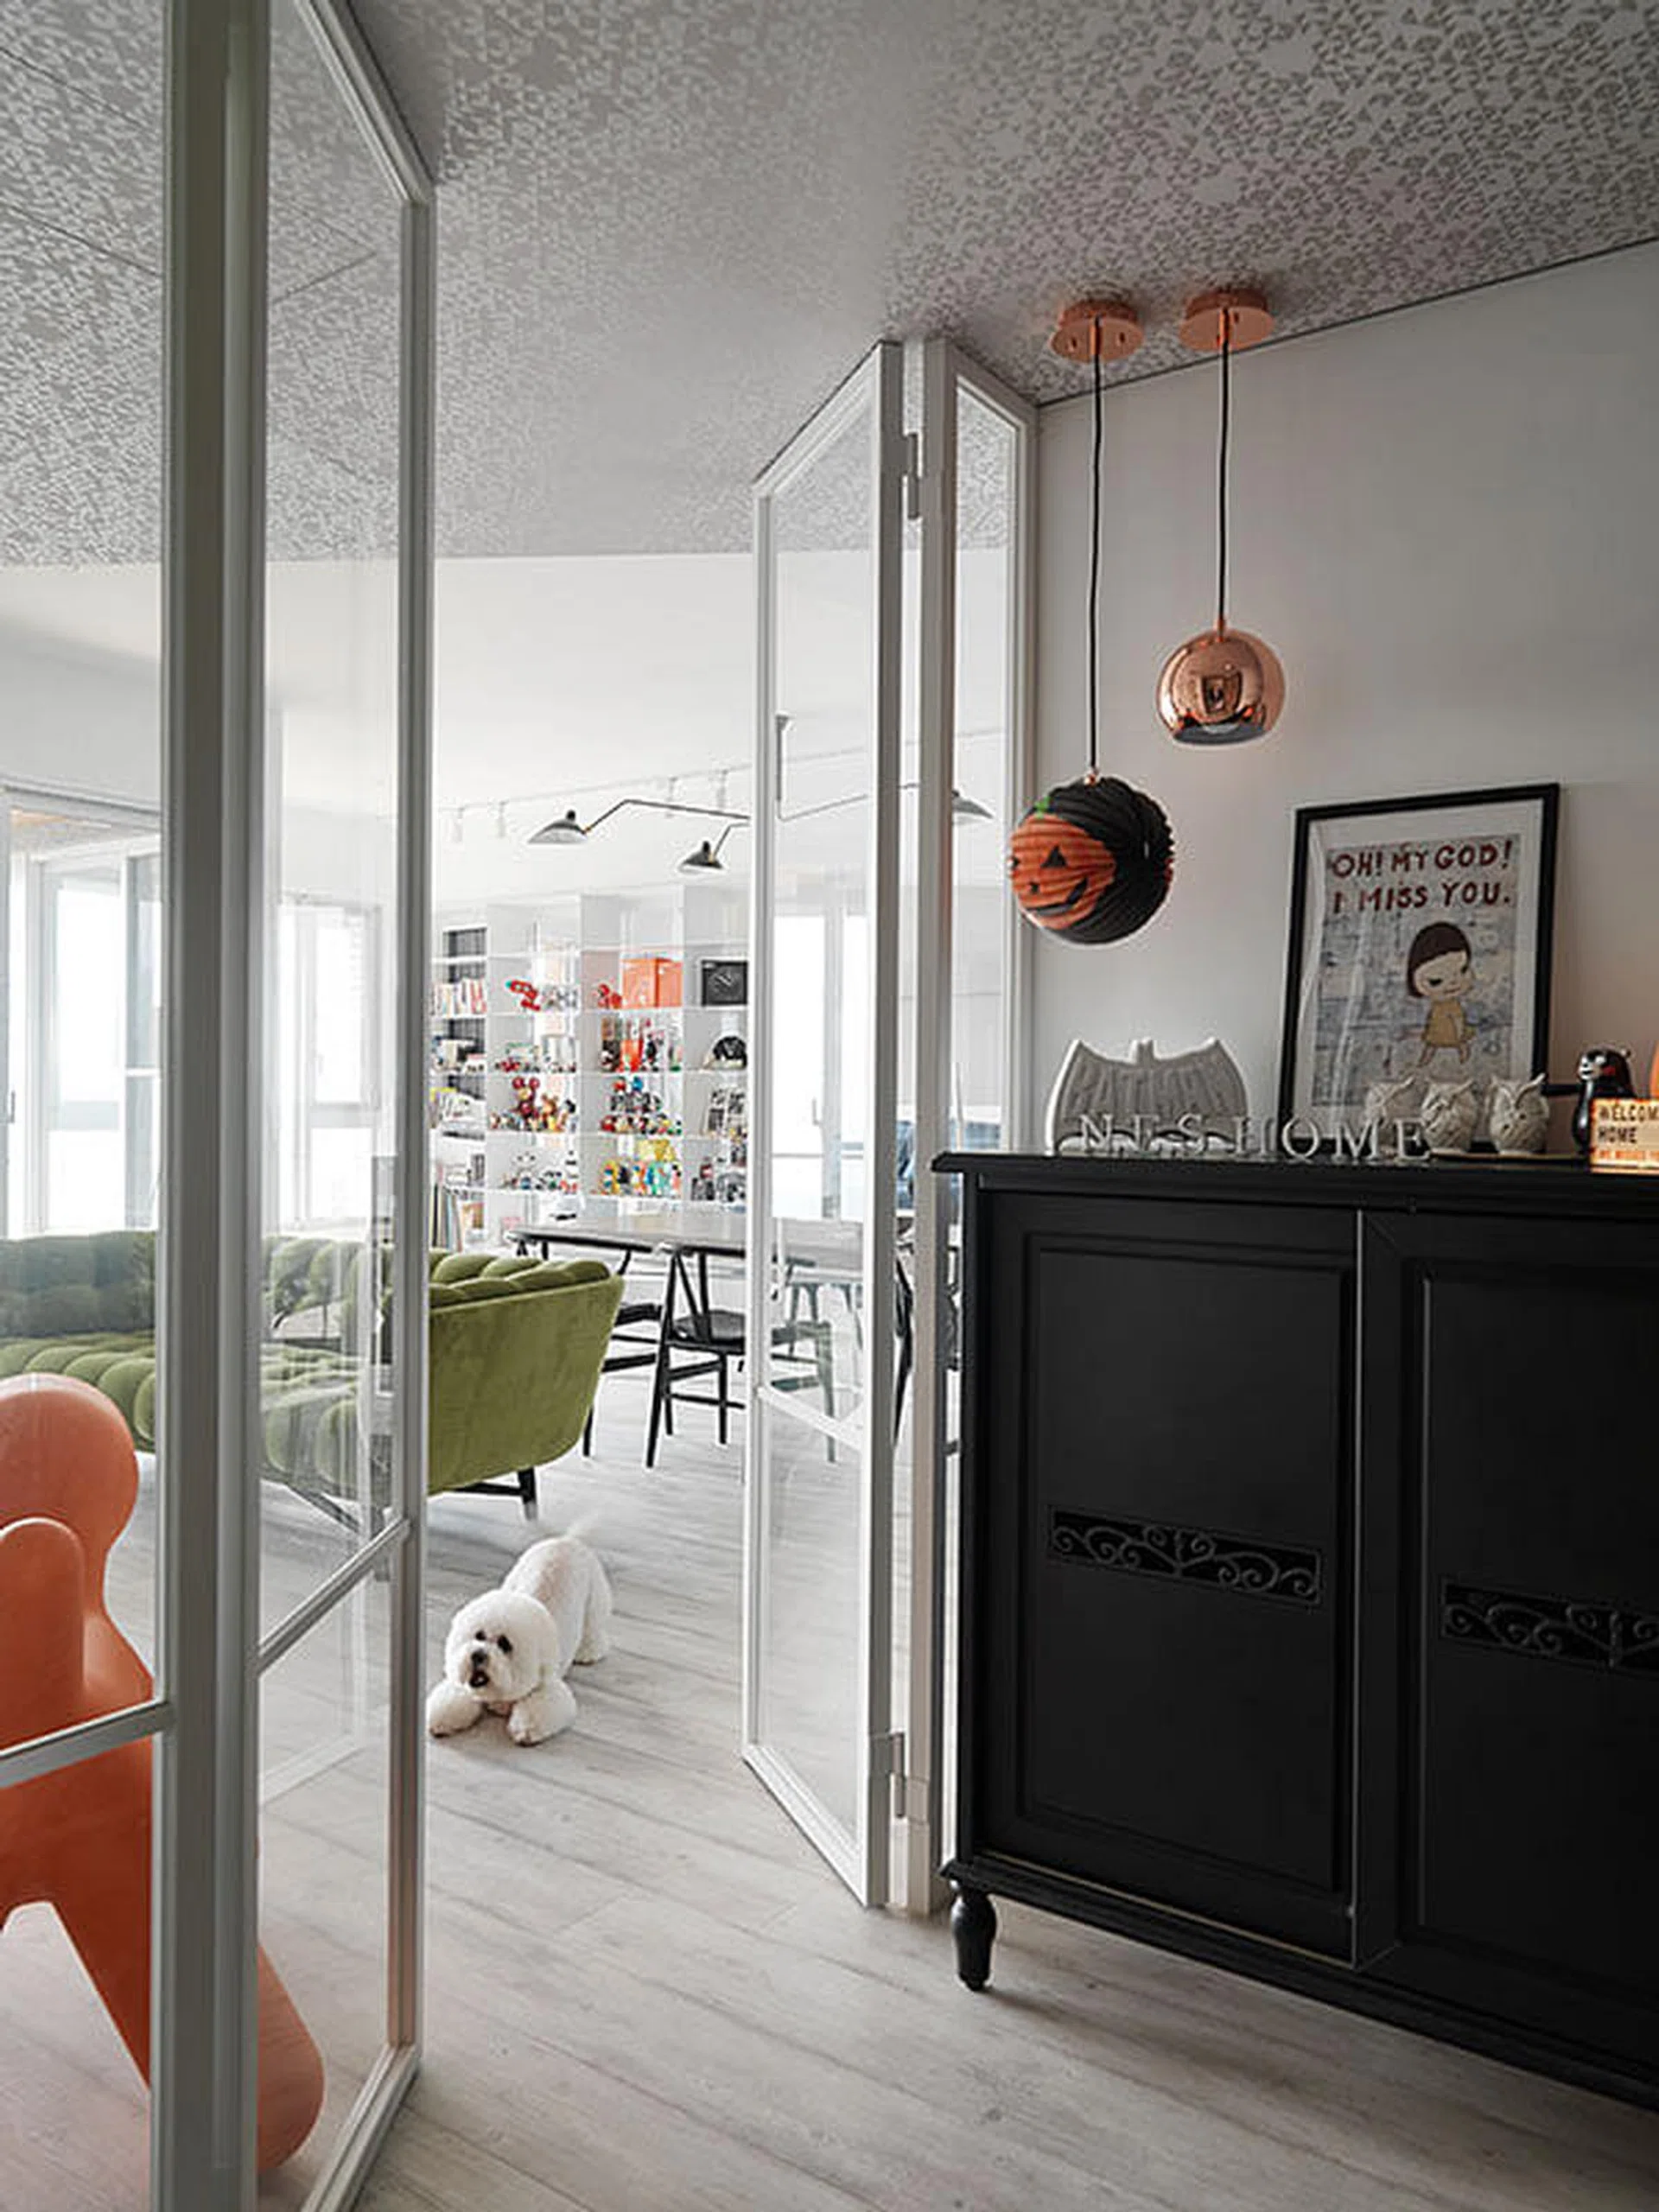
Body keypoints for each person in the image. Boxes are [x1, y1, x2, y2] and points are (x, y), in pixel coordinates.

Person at [1407, 921, 1476, 1065]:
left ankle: (1464, 1058)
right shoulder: (1437, 1004)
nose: (1453, 983)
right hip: (1437, 1030)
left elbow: (1457, 1019)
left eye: (1463, 970)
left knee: (1458, 1045)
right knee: (1431, 1045)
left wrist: (1460, 1035)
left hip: (1454, 1033)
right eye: (1436, 981)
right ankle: (1424, 1062)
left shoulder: (1452, 1005)